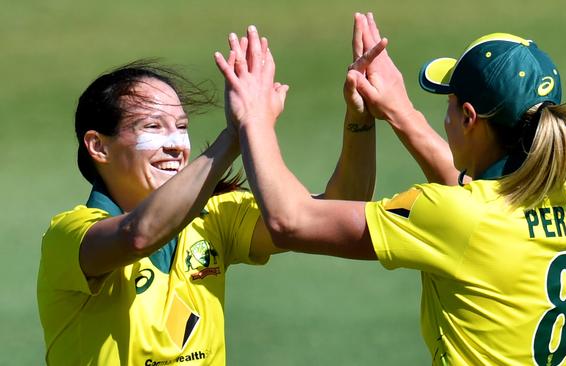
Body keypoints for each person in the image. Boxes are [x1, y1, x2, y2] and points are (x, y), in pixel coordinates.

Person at [215, 13, 566, 365]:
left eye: (448, 103)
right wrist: (396, 109)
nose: (445, 117)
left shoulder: (453, 215)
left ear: (469, 117)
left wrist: (254, 118)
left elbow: (290, 220)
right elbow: (474, 204)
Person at [36, 24, 378, 365]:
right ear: (99, 146)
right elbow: (138, 235)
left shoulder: (214, 217)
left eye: (181, 127)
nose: (175, 145)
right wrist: (236, 133)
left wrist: (359, 118)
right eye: (153, 127)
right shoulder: (70, 236)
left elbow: (335, 214)